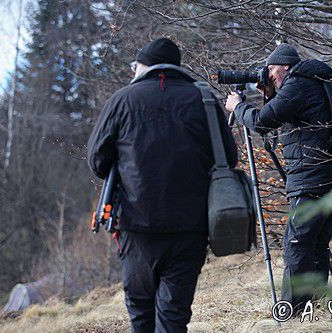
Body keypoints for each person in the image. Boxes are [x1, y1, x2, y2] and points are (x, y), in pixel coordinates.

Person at [87, 38, 237, 333]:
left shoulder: (123, 100)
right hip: (190, 228)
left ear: (143, 67)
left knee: (141, 313)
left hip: (136, 227)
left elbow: (97, 161)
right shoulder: (204, 100)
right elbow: (228, 159)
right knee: (173, 316)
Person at [225, 43, 332, 313]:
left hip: (312, 179)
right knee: (315, 242)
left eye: (272, 70)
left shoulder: (298, 85)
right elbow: (281, 116)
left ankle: (293, 312)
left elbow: (261, 122)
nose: (269, 75)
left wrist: (238, 106)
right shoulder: (314, 82)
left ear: (285, 66)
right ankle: (314, 303)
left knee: (297, 244)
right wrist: (269, 95)